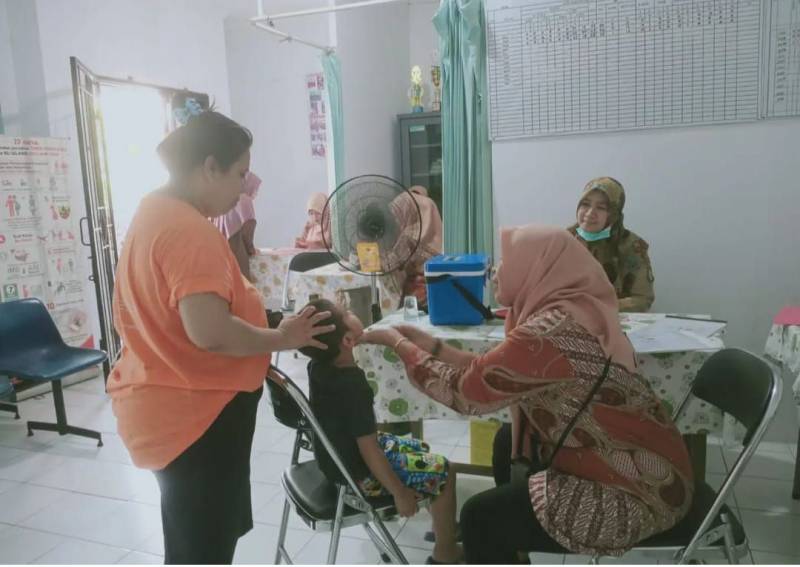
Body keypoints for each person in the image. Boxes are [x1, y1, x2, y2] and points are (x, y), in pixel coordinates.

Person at [361, 225, 693, 564]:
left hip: (640, 490)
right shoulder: (575, 310)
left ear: (537, 266)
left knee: (479, 516)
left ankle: (497, 543)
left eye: (506, 261)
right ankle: (511, 550)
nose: (495, 271)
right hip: (650, 456)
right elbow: (494, 371)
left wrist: (397, 343)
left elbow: (464, 393)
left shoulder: (546, 333)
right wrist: (431, 346)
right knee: (507, 441)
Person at [108, 110, 335, 565]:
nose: (243, 189)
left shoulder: (154, 210)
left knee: (193, 538)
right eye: (239, 175)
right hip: (196, 418)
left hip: (172, 402)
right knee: (203, 549)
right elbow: (210, 332)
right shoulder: (188, 230)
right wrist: (282, 337)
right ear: (209, 167)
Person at [299, 298, 461, 564]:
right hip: (360, 476)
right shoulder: (353, 386)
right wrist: (398, 492)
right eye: (347, 312)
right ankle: (445, 552)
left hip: (336, 464)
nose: (352, 311)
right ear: (348, 341)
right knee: (445, 470)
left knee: (420, 448)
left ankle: (441, 524)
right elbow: (369, 448)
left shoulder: (318, 366)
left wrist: (364, 335)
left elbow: (364, 442)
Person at [567, 177, 655, 312]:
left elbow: (642, 299)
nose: (590, 213)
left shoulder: (632, 245)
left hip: (613, 317)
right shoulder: (563, 240)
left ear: (613, 213)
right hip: (568, 316)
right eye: (585, 204)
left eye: (601, 208)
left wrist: (599, 308)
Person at [390, 186, 443, 310]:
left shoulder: (406, 239)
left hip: (417, 296)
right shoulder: (442, 238)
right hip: (439, 290)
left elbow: (391, 264)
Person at [212, 170, 260, 281]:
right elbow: (248, 225)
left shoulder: (222, 201)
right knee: (242, 281)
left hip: (220, 247)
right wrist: (250, 248)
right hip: (236, 245)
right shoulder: (244, 199)